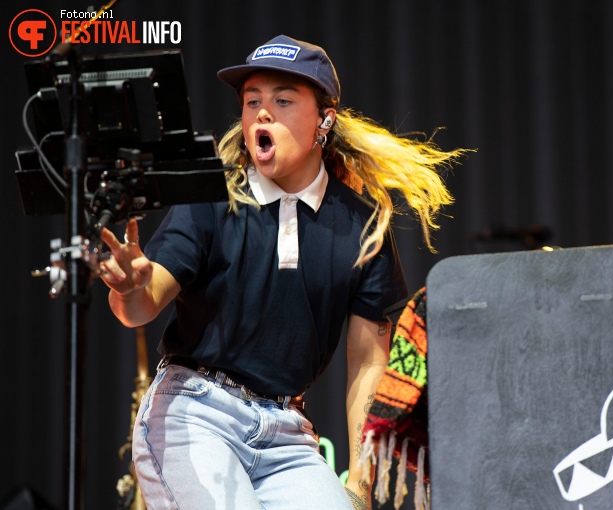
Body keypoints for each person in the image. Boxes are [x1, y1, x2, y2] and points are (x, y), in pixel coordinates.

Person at [98, 34, 465, 510]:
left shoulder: (363, 224)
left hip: (287, 435)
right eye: (252, 102)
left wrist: (360, 480)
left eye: (282, 100)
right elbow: (141, 306)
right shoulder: (215, 198)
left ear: (323, 122)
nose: (262, 113)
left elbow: (369, 364)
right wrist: (129, 288)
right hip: (195, 414)